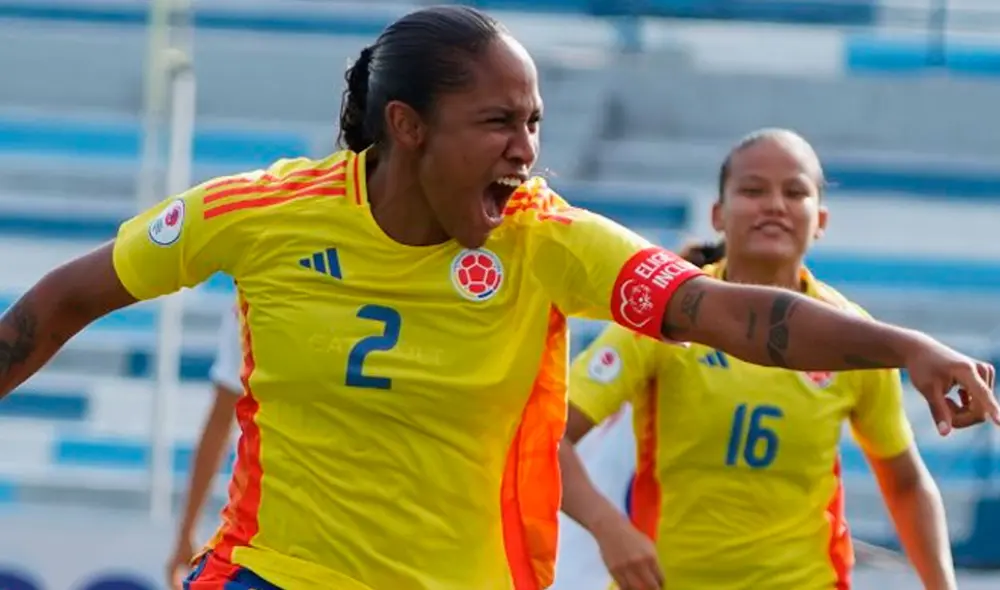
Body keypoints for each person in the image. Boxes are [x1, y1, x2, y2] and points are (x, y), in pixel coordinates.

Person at [0, 7, 993, 589]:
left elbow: (727, 312)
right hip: (275, 570)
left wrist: (906, 347)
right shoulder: (260, 213)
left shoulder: (546, 235)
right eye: (498, 123)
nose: (526, 150)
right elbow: (56, 304)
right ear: (409, 126)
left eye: (535, 122)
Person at [559, 129, 962, 590]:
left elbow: (906, 484)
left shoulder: (855, 338)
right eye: (753, 190)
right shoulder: (665, 317)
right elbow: (552, 436)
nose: (774, 205)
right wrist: (611, 531)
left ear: (821, 219)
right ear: (717, 214)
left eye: (795, 192)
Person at [167, 303, 243, 589]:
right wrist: (187, 532)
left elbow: (222, 416)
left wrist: (187, 532)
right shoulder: (252, 292)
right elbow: (222, 416)